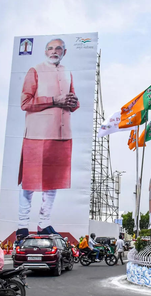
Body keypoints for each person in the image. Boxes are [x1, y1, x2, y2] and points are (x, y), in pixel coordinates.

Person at [17, 38, 80, 239]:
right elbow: (25, 103)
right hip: (37, 135)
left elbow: (72, 100)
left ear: (65, 51)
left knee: (52, 183)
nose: (54, 51)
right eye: (51, 48)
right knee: (30, 182)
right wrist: (54, 100)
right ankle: (22, 225)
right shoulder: (34, 70)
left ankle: (44, 224)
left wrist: (73, 102)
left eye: (58, 48)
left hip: (62, 135)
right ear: (45, 52)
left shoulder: (67, 72)